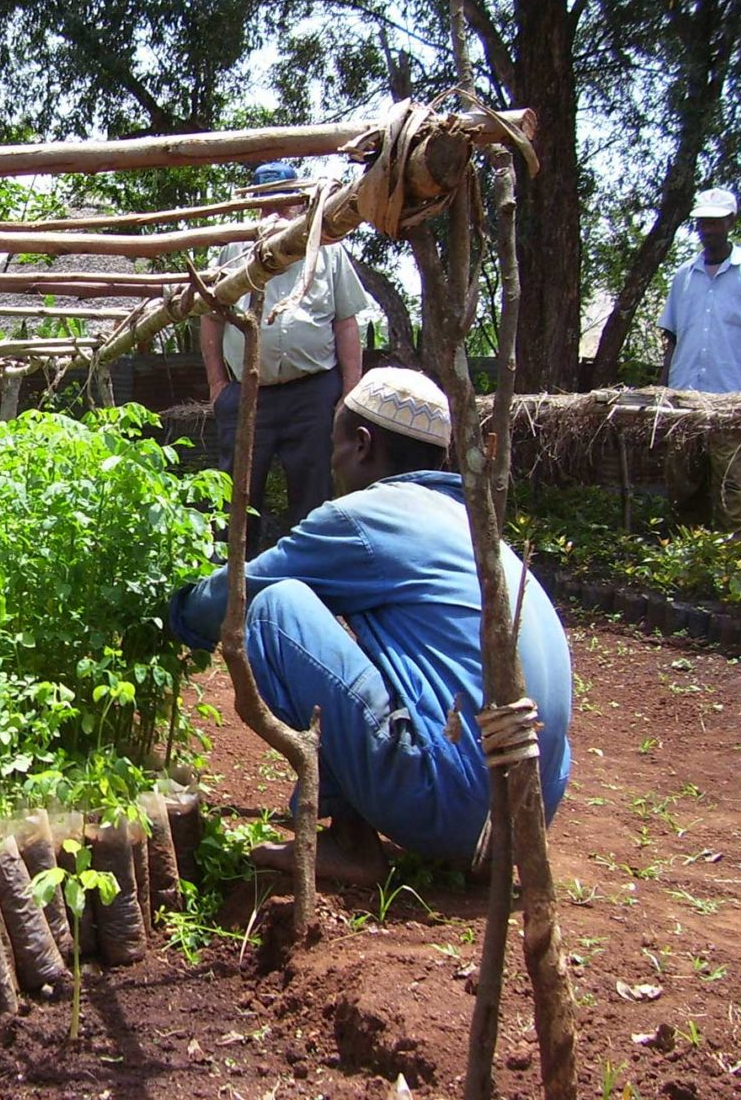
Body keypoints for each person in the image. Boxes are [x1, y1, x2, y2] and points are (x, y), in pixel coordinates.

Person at [168, 368, 572, 884]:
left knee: (278, 608)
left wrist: (171, 609)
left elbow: (233, 597)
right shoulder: (475, 526)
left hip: (453, 804)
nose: (331, 463)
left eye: (333, 444)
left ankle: (351, 843)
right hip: (530, 808)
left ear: (362, 444)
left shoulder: (365, 518)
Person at [201, 162, 368, 555]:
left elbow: (346, 322)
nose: (275, 211)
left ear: (300, 201)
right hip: (247, 394)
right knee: (236, 497)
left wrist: (350, 389)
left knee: (314, 496)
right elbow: (209, 320)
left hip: (312, 393)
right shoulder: (232, 249)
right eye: (266, 201)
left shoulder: (328, 248)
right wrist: (216, 386)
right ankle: (231, 590)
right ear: (256, 203)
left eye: (285, 200)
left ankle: (311, 586)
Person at [657, 187, 741, 535]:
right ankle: (684, 551)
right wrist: (663, 390)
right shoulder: (683, 276)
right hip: (684, 397)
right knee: (682, 479)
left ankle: (727, 560)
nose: (709, 230)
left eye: (716, 223)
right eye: (703, 223)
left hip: (733, 397)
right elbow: (672, 337)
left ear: (731, 222)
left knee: (731, 483)